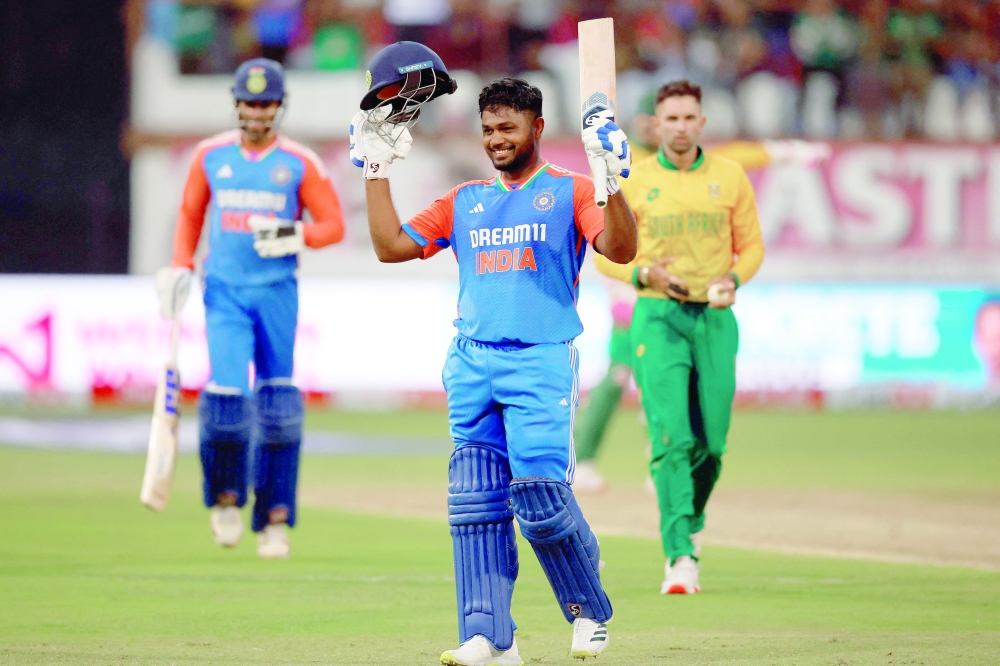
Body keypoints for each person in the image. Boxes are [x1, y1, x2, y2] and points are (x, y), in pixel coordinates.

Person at [349, 42, 636, 665]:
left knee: (538, 497)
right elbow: (391, 247)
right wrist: (374, 170)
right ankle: (488, 637)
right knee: (474, 503)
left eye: (508, 128)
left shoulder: (573, 189)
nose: (496, 139)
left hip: (540, 360)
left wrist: (613, 180)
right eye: (487, 130)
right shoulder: (465, 200)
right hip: (472, 361)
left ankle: (590, 610)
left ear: (536, 127)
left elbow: (620, 249)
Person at [574, 92, 826, 494]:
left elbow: (737, 156)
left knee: (670, 378)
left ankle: (661, 462)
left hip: (681, 289)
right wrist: (623, 287)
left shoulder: (691, 164)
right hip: (638, 287)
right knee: (624, 373)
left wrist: (786, 151)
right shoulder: (625, 163)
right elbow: (607, 234)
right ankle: (586, 458)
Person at [156, 58, 345, 559]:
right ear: (235, 103)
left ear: (280, 107)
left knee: (280, 407)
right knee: (226, 398)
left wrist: (295, 233)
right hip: (225, 292)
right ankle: (225, 499)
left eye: (266, 104)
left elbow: (334, 226)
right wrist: (179, 267)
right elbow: (190, 215)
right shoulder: (210, 156)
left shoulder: (300, 162)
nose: (257, 113)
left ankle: (275, 518)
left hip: (277, 294)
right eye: (249, 103)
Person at [596, 79, 764, 595]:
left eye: (690, 118)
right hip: (658, 316)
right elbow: (606, 252)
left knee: (711, 446)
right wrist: (644, 275)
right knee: (672, 437)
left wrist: (732, 281)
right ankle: (680, 556)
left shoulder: (730, 177)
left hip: (714, 319)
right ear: (657, 124)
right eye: (671, 119)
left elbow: (752, 248)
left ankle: (687, 519)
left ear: (702, 123)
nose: (681, 127)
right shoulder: (635, 180)